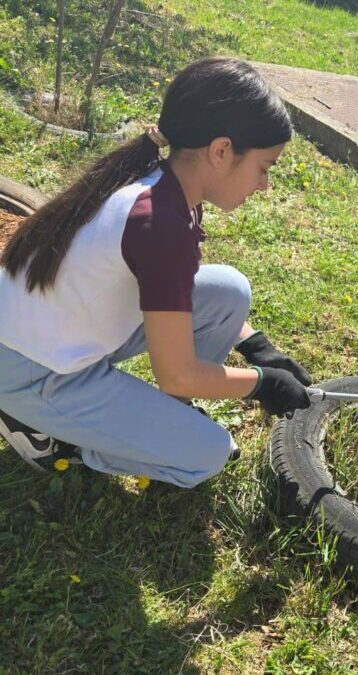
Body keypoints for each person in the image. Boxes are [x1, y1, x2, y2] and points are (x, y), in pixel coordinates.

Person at [0, 57, 313, 487]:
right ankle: (48, 434)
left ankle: (161, 422)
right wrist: (263, 383)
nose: (264, 185)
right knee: (207, 453)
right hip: (34, 370)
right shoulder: (160, 223)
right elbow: (177, 372)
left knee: (229, 292)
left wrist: (255, 345)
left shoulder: (160, 183)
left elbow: (178, 293)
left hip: (56, 335)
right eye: (264, 168)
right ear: (221, 151)